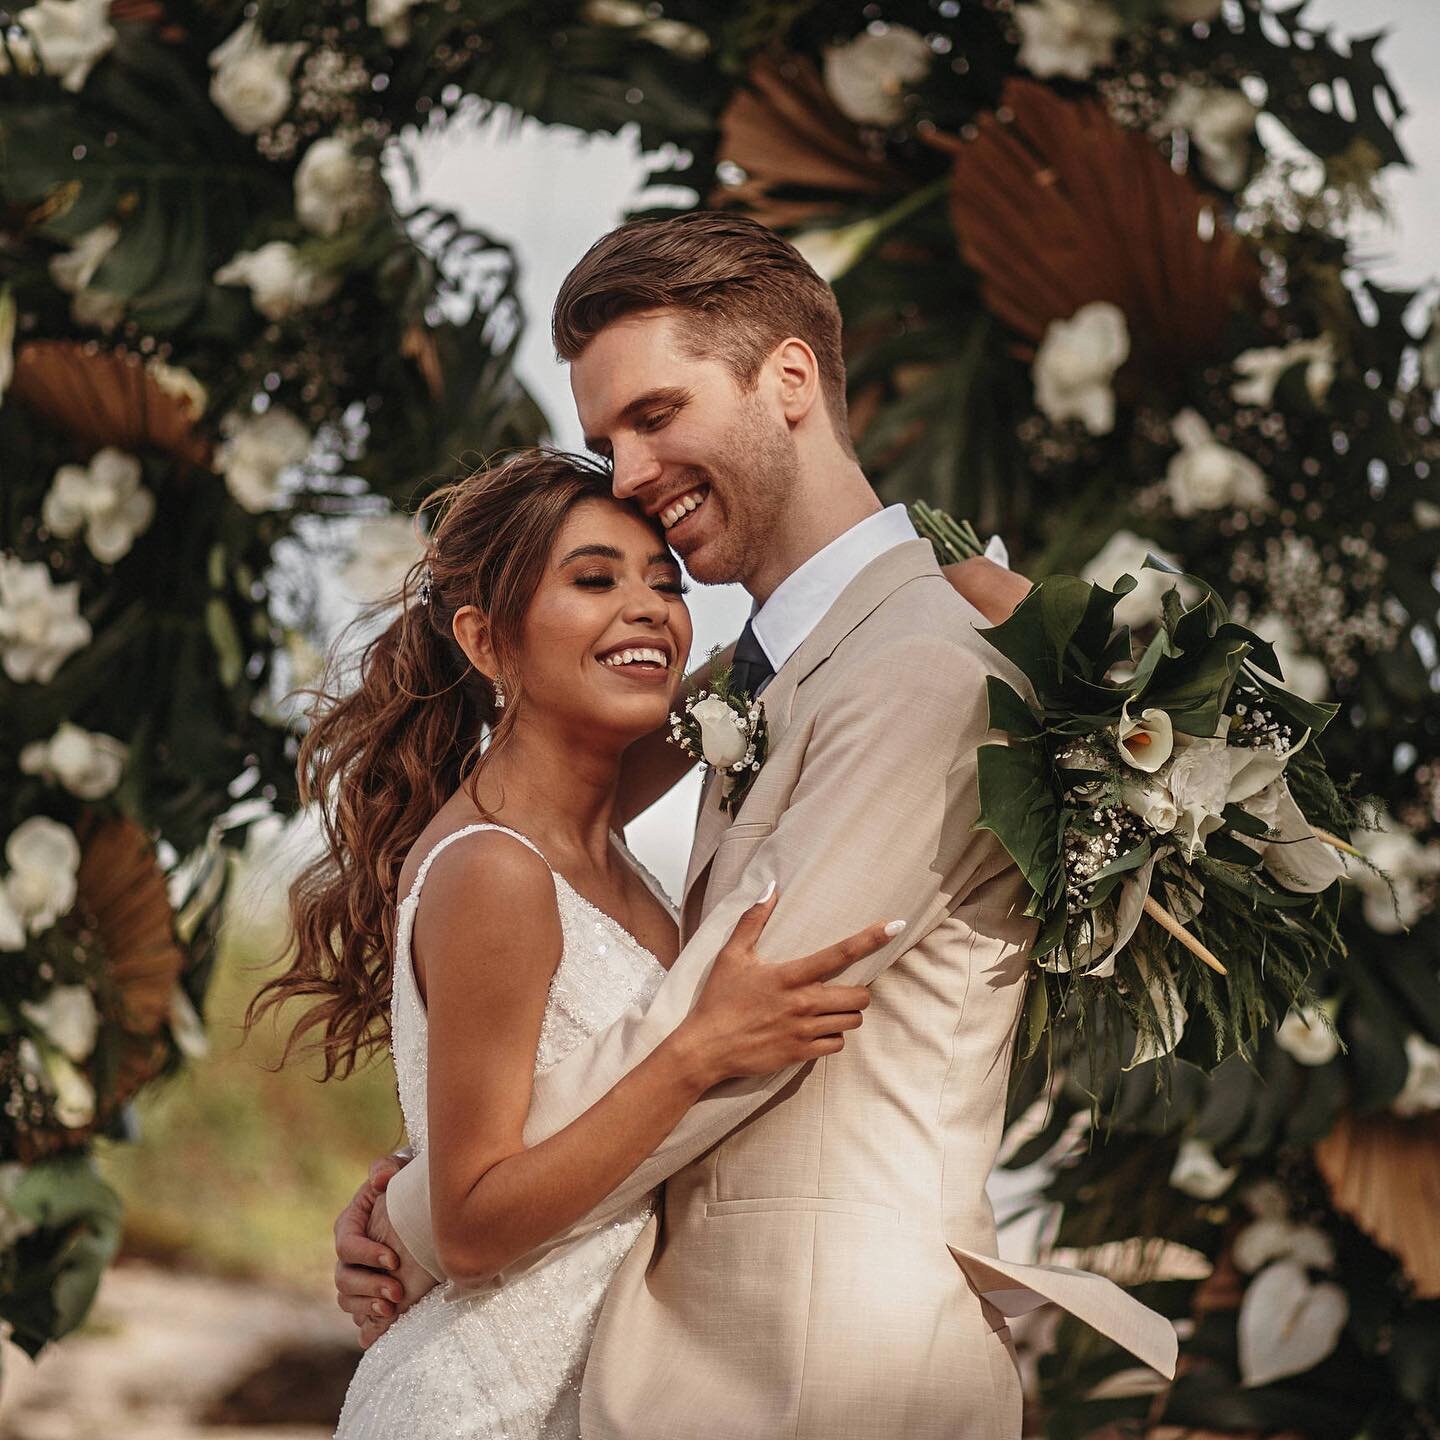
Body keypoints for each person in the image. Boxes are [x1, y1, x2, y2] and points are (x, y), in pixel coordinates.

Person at [334, 214, 1177, 1438]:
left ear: (788, 380)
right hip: (712, 1366)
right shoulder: (769, 678)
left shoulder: (920, 672)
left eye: (656, 415)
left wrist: (426, 1213)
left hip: (829, 1366)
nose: (627, 473)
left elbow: (743, 1015)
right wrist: (451, 1182)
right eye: (605, 441)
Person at [252, 450, 896, 1437]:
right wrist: (698, 1051)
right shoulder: (496, 871)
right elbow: (468, 1227)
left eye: (666, 583)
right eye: (594, 580)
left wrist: (936, 571)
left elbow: (787, 642)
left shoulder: (588, 823)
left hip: (602, 1392)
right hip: (489, 1406)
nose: (649, 609)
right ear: (487, 639)